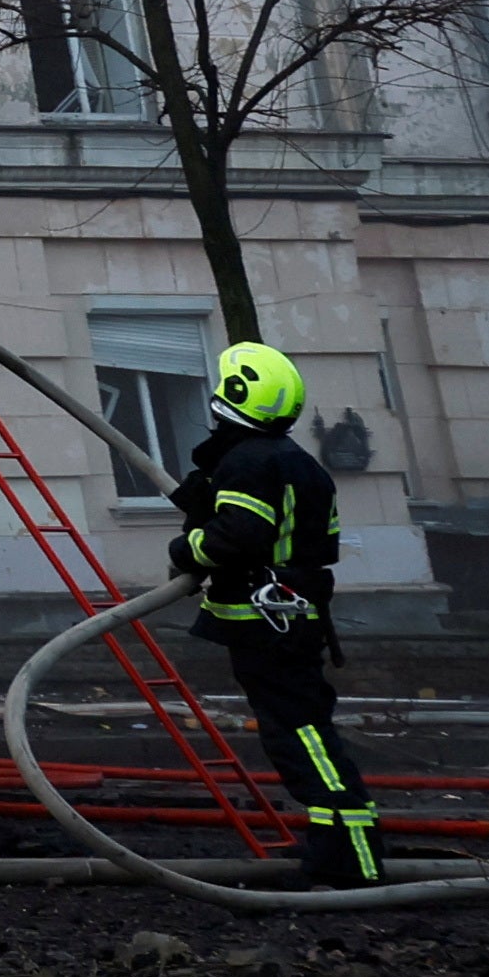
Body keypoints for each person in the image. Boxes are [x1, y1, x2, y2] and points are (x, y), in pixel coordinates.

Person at [169, 340, 383, 888]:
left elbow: (237, 536)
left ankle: (354, 852)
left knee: (301, 734)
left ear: (234, 394)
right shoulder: (295, 463)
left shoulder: (249, 462)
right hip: (291, 617)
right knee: (297, 730)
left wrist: (187, 547)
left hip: (268, 624)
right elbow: (311, 542)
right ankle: (336, 851)